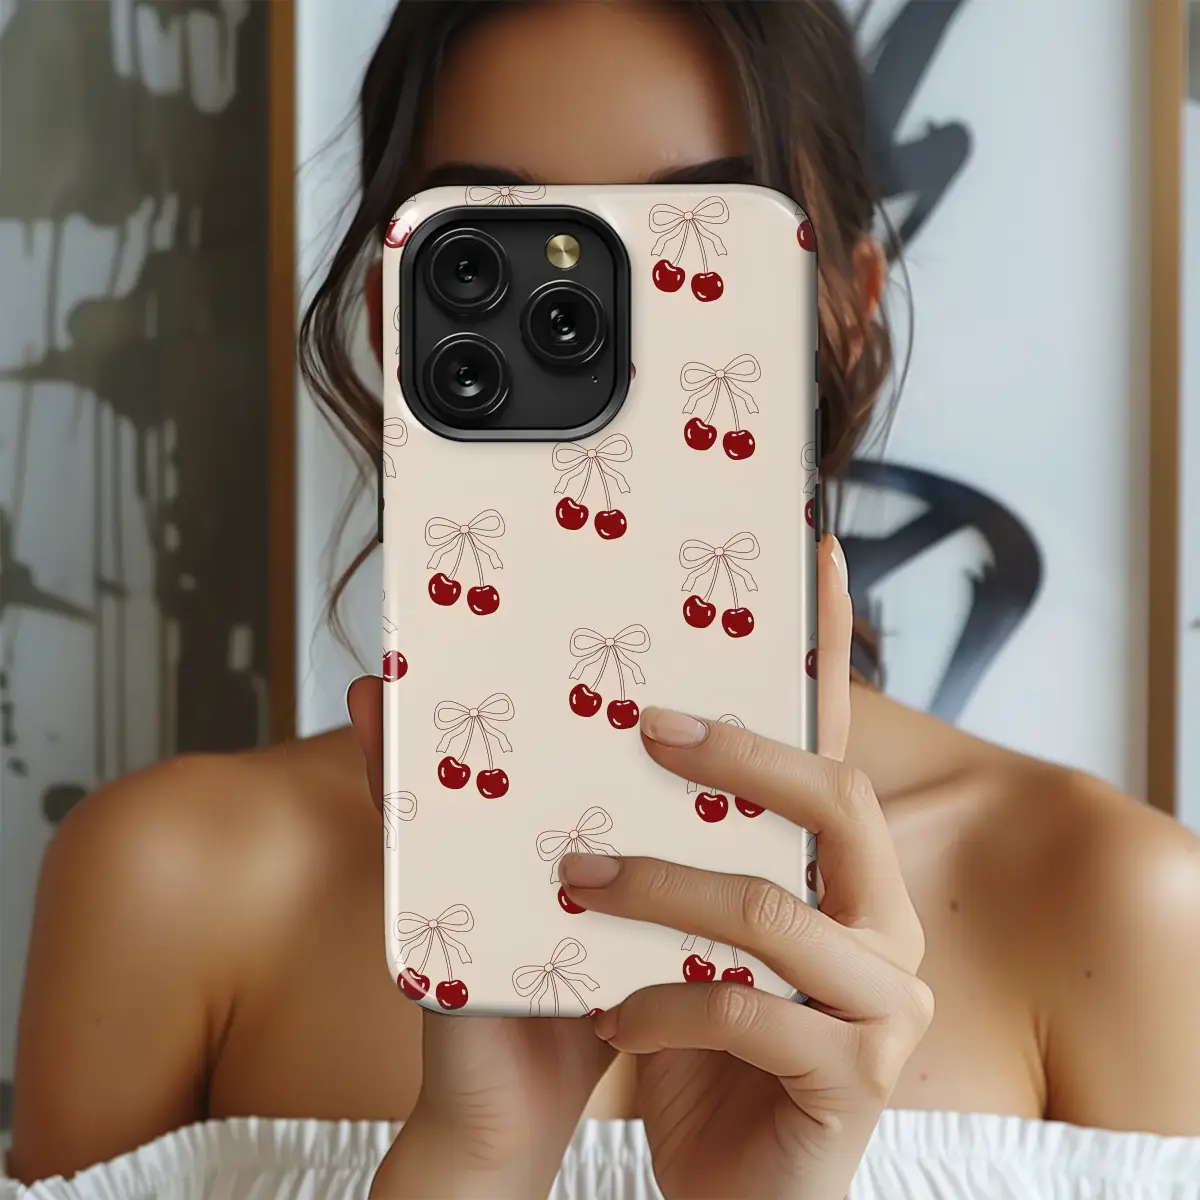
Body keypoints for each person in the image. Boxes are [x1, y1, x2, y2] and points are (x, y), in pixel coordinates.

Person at [7, 2, 1200, 1197]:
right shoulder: (170, 886)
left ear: (846, 311)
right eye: (490, 255)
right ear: (393, 320)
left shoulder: (1115, 907)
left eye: (701, 248)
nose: (610, 336)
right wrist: (476, 1160)